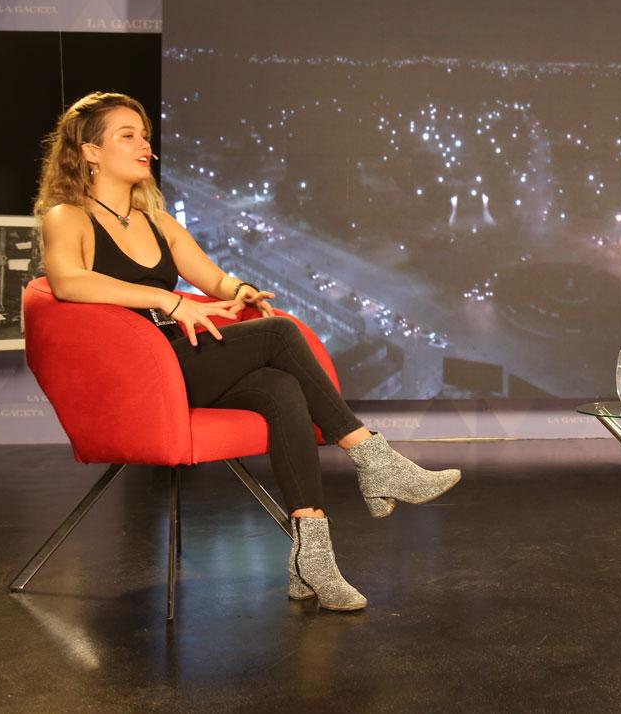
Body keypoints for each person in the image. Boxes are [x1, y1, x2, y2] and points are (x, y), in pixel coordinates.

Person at [35, 92, 461, 612]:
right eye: (127, 135)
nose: (143, 144)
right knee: (280, 335)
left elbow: (210, 277)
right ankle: (374, 459)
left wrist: (238, 290)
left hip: (177, 359)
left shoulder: (158, 222)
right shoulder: (68, 216)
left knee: (281, 389)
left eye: (145, 134)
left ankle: (314, 561)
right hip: (134, 375)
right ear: (89, 151)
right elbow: (67, 282)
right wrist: (167, 301)